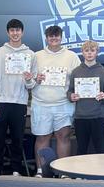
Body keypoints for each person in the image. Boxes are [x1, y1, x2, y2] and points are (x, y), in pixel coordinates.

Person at [0, 19, 36, 187]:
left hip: (20, 103)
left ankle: (16, 171)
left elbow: (32, 85)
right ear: (8, 33)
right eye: (12, 30)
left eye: (18, 30)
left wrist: (29, 80)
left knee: (17, 140)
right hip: (1, 103)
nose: (15, 33)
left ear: (22, 32)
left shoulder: (30, 54)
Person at [29, 25, 80, 176]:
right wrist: (35, 79)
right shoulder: (36, 56)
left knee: (63, 137)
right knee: (42, 137)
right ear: (46, 37)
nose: (54, 38)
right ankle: (40, 171)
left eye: (56, 35)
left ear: (61, 37)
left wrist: (75, 93)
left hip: (63, 104)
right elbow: (28, 82)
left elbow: (78, 81)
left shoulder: (71, 56)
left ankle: (63, 171)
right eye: (51, 36)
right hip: (41, 103)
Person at [68, 40, 104, 155]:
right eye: (86, 51)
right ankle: (80, 173)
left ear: (97, 52)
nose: (89, 53)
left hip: (99, 116)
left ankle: (101, 173)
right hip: (80, 117)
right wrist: (71, 96)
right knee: (81, 150)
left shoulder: (103, 71)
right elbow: (69, 91)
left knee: (100, 150)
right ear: (82, 52)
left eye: (92, 51)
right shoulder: (76, 71)